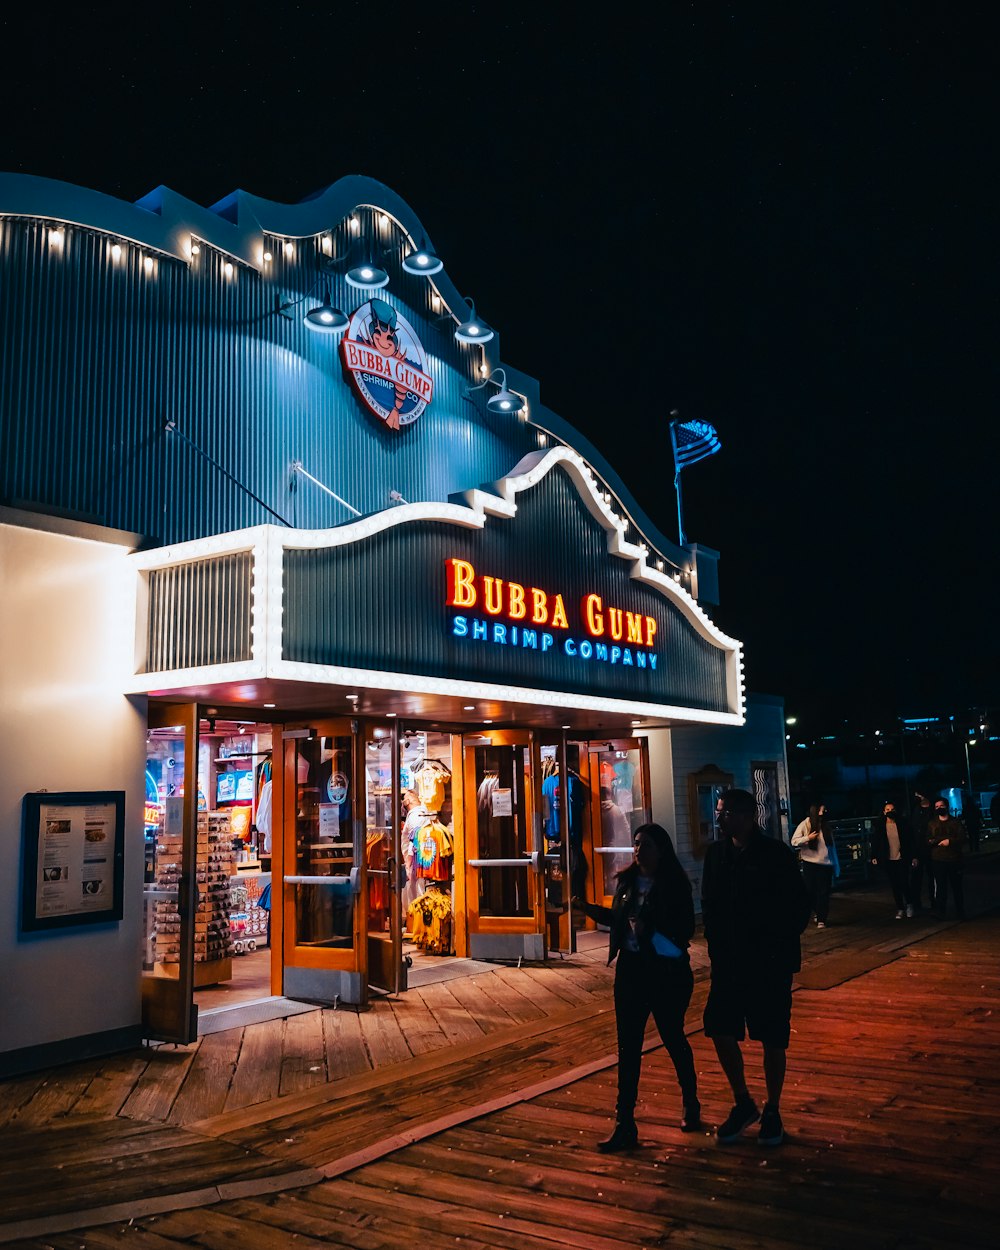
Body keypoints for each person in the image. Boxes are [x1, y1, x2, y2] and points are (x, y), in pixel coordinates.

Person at [573, 823, 700, 1151]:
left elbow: (684, 930)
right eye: (636, 843)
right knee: (628, 1048)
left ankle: (691, 1102)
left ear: (661, 848)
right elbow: (619, 919)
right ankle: (624, 1122)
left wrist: (650, 930)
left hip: (665, 972)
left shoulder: (673, 885)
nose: (638, 849)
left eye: (644, 844)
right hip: (631, 971)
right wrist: (587, 909)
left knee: (672, 1036)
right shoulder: (628, 882)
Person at [701, 788, 810, 1148]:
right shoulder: (716, 855)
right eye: (718, 811)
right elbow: (709, 903)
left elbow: (797, 906)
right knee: (719, 1026)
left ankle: (773, 1108)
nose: (719, 818)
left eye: (726, 812)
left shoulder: (775, 854)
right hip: (729, 961)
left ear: (748, 816)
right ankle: (743, 1101)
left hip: (768, 962)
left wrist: (776, 947)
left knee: (773, 1035)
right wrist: (716, 947)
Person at [791, 803, 839, 928]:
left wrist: (836, 865)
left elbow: (832, 848)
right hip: (810, 863)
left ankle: (822, 918)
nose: (822, 814)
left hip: (826, 864)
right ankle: (818, 912)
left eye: (823, 811)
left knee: (824, 892)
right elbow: (794, 841)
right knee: (810, 891)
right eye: (820, 811)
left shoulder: (826, 826)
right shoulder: (806, 824)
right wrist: (808, 837)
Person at [870, 800, 917, 919]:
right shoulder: (880, 826)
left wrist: (914, 856)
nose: (890, 812)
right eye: (887, 810)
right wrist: (874, 856)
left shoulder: (902, 824)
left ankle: (909, 905)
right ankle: (900, 908)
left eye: (892, 809)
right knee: (894, 884)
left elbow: (910, 841)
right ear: (884, 812)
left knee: (904, 882)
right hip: (888, 859)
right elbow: (875, 842)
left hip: (902, 857)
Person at [928, 798, 967, 919]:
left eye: (941, 806)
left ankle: (960, 912)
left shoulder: (955, 822)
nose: (939, 808)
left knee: (957, 887)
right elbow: (928, 839)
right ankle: (940, 912)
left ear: (947, 806)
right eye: (937, 806)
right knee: (941, 888)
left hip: (954, 859)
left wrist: (950, 841)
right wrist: (936, 841)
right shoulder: (932, 824)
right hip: (938, 860)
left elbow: (962, 838)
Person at [909, 793, 936, 912]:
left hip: (931, 850)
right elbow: (912, 832)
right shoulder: (915, 811)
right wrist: (913, 854)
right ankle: (916, 904)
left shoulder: (933, 811)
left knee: (933, 878)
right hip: (918, 849)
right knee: (916, 879)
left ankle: (935, 903)